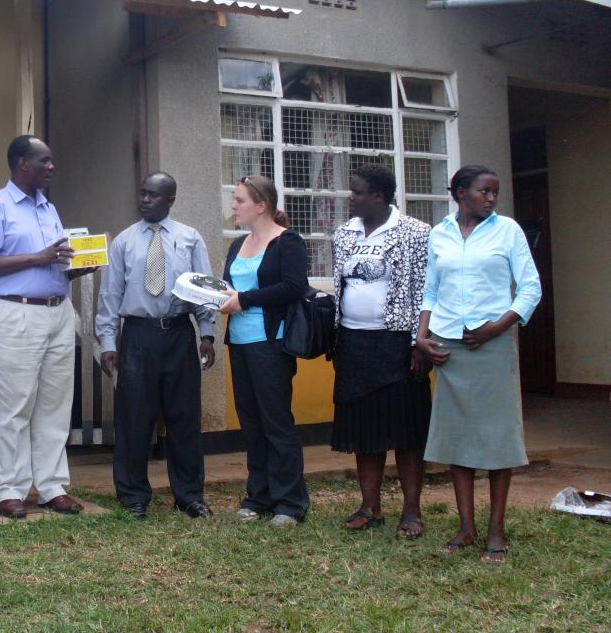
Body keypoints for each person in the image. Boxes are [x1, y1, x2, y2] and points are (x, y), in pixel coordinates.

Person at [416, 165, 541, 563]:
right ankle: (465, 528)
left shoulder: (508, 231)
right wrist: (421, 336)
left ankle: (496, 532)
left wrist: (497, 327)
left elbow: (530, 288)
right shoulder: (440, 234)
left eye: (495, 193)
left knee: (497, 438)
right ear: (459, 193)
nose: (491, 199)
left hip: (492, 344)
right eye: (484, 192)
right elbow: (431, 289)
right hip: (449, 345)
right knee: (458, 439)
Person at [0, 135, 95, 518]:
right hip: (15, 314)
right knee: (16, 406)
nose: (52, 167)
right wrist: (38, 258)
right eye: (45, 161)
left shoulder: (47, 208)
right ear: (22, 164)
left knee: (55, 406)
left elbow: (51, 264)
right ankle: (11, 489)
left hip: (57, 310)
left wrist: (77, 267)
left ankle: (52, 487)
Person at [95, 172, 217, 521]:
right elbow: (109, 296)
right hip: (138, 336)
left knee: (184, 417)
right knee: (134, 418)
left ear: (170, 200)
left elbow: (203, 290)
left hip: (178, 333)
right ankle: (134, 496)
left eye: (153, 195)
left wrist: (206, 333)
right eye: (142, 193)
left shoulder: (189, 239)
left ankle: (189, 496)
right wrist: (107, 341)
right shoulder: (124, 242)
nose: (145, 199)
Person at [330, 165, 431, 538]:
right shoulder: (345, 234)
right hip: (354, 345)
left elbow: (426, 289)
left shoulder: (415, 233)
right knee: (364, 431)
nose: (350, 197)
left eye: (356, 192)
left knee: (406, 432)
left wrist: (419, 340)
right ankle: (369, 506)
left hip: (399, 343)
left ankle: (411, 510)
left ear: (378, 196)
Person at [218, 175, 309, 527]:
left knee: (276, 422)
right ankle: (259, 496)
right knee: (252, 423)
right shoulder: (238, 244)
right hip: (239, 343)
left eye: (239, 200)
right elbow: (231, 287)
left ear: (261, 205)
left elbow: (293, 286)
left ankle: (290, 501)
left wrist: (245, 299)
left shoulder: (287, 241)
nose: (234, 206)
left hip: (271, 343)